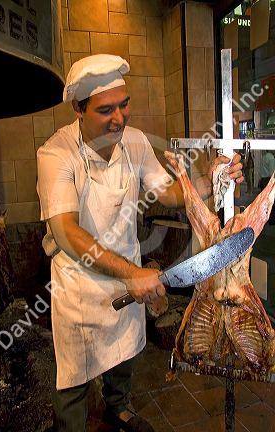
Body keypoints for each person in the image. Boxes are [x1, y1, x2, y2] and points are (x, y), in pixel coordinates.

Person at [36, 54, 244, 432]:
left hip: (128, 272)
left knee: (124, 355)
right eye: (106, 110)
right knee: (74, 376)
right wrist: (132, 273)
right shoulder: (56, 154)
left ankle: (119, 409)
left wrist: (212, 181)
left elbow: (168, 193)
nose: (119, 117)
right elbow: (65, 231)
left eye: (124, 104)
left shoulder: (132, 142)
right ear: (78, 110)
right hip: (80, 284)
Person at [259, 150, 275, 224]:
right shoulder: (271, 158)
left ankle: (264, 218)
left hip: (263, 180)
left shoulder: (264, 157)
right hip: (268, 180)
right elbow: (272, 172)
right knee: (271, 201)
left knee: (264, 200)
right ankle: (271, 219)